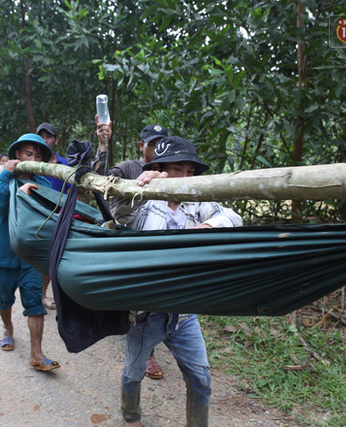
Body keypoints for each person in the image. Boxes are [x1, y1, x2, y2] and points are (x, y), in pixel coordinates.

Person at [111, 136, 243, 427]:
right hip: (145, 315)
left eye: (190, 171)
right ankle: (131, 418)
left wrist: (207, 226)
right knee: (133, 373)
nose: (185, 178)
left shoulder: (197, 203)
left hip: (184, 313)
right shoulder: (144, 202)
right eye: (177, 170)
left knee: (200, 377)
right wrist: (142, 187)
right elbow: (119, 212)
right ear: (159, 168)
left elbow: (234, 218)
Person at [93, 119, 168, 380]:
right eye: (153, 144)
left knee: (149, 292)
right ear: (141, 145)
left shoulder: (170, 168)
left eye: (163, 144)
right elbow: (101, 179)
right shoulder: (128, 167)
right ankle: (135, 344)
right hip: (126, 237)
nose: (158, 148)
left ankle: (147, 351)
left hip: (157, 241)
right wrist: (103, 144)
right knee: (130, 289)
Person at [0, 133, 60, 371]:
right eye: (29, 154)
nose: (33, 158)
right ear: (17, 154)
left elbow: (48, 212)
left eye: (38, 155)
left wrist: (32, 193)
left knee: (35, 303)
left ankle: (36, 353)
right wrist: (10, 178)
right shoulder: (0, 178)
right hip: (1, 253)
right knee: (4, 299)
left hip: (30, 255)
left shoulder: (44, 183)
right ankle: (7, 327)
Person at [35, 122, 70, 310]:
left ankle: (57, 294)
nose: (45, 141)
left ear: (56, 140)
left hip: (61, 217)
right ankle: (39, 294)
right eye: (41, 137)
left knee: (56, 258)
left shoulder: (65, 165)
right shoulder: (33, 164)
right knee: (40, 257)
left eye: (49, 137)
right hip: (38, 216)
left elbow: (74, 193)